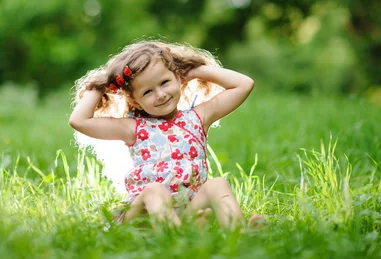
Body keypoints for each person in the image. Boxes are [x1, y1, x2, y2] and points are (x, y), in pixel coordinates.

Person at [69, 40, 265, 229]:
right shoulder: (133, 128)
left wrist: (195, 70)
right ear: (135, 101)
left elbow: (244, 84)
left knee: (217, 184)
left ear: (179, 79)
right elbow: (79, 121)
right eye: (147, 92)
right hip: (143, 217)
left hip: (186, 213)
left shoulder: (198, 118)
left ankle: (239, 234)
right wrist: (100, 86)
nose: (160, 94)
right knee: (155, 190)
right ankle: (175, 239)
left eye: (164, 82)